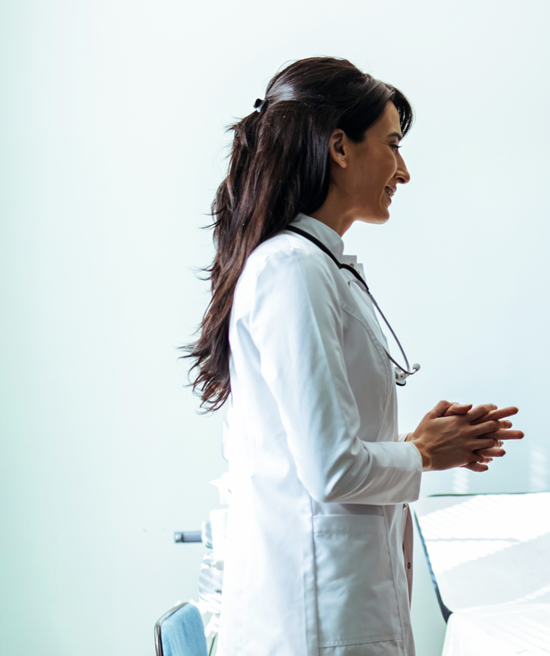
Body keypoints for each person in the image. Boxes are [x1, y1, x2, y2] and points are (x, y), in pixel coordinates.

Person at [185, 57, 523, 656]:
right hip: (314, 614)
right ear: (339, 147)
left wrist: (419, 441)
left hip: (339, 601)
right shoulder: (292, 270)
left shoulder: (319, 266)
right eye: (393, 145)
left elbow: (331, 450)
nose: (405, 171)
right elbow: (331, 469)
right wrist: (422, 452)